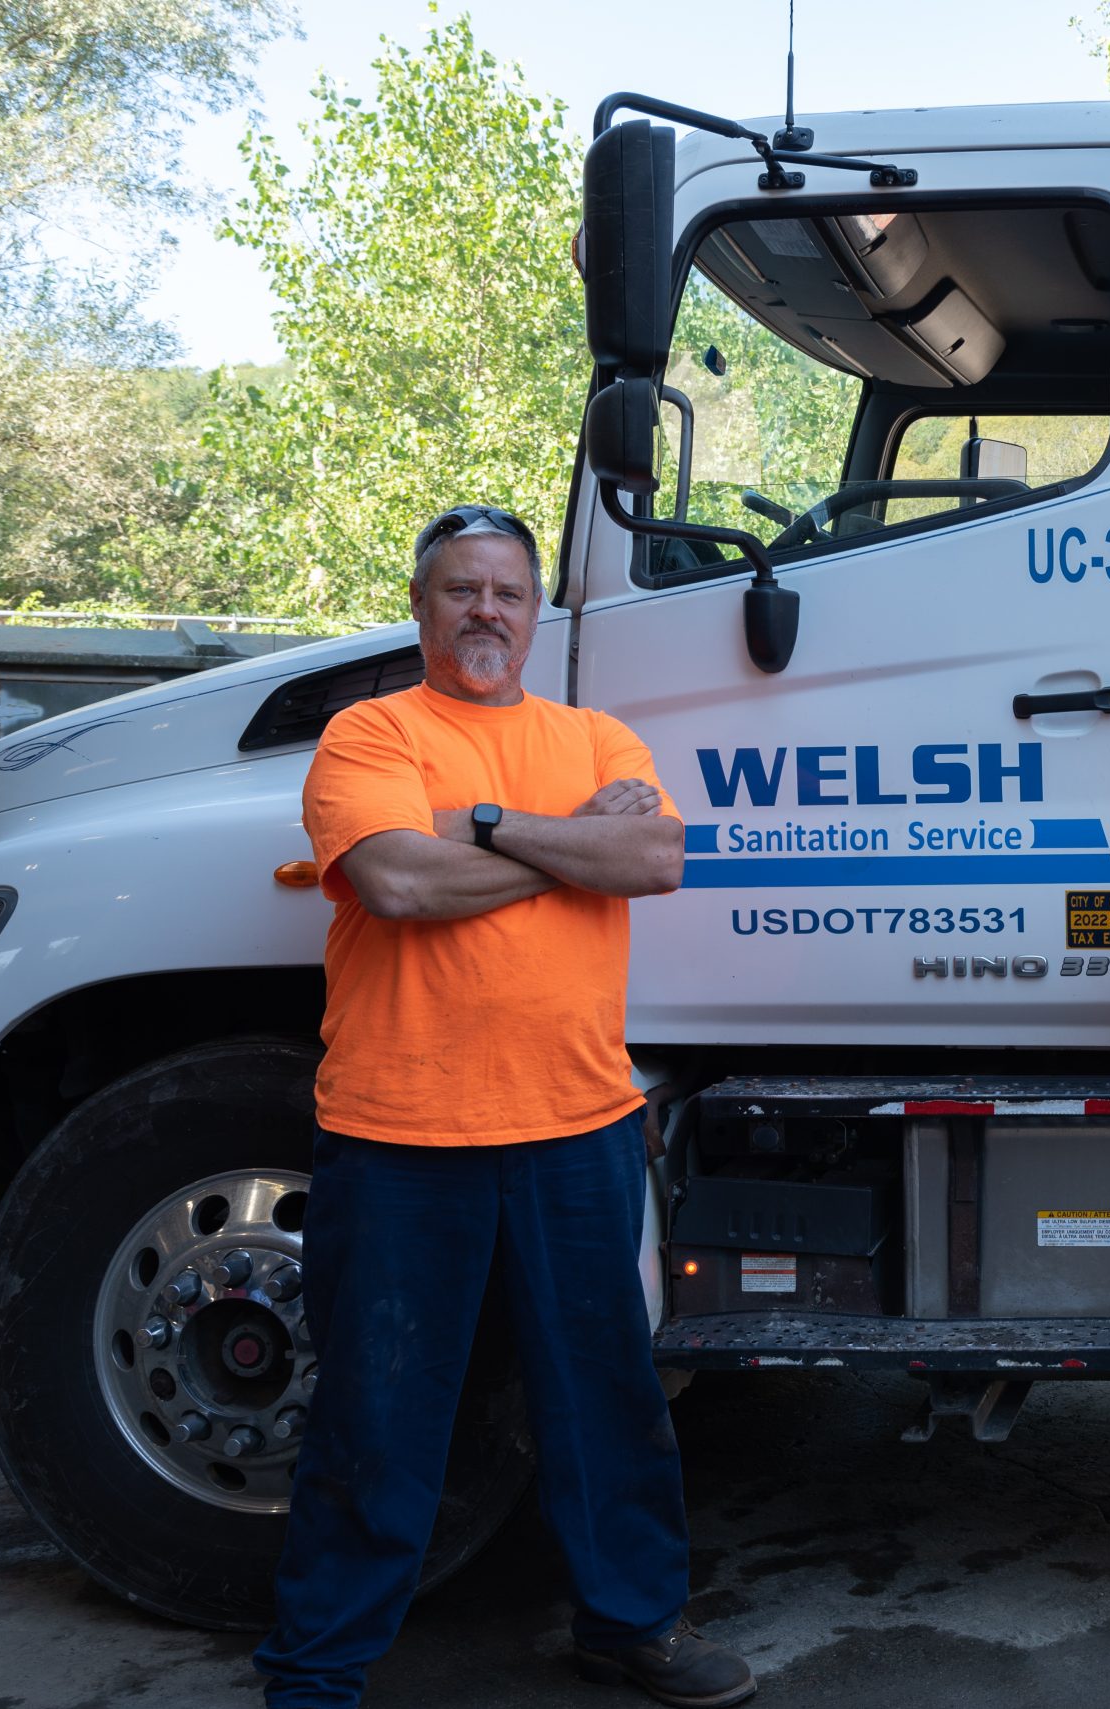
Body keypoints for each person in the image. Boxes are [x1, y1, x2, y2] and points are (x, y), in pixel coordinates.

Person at [254, 505, 753, 1709]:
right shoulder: (367, 733)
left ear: (538, 614)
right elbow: (395, 879)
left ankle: (631, 1623)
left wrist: (480, 823)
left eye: (508, 592)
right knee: (377, 1411)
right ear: (421, 607)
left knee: (607, 1400)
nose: (486, 610)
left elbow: (654, 860)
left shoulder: (593, 735)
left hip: (575, 1128)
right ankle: (319, 1666)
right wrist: (560, 844)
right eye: (461, 590)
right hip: (399, 1131)